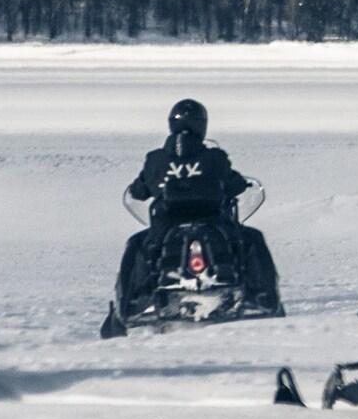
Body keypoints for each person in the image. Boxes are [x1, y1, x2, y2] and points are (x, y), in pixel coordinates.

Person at [112, 99, 280, 322]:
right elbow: (235, 184)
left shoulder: (156, 159)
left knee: (137, 245)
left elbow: (140, 191)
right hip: (214, 223)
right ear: (202, 125)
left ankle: (128, 305)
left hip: (165, 228)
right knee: (252, 239)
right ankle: (265, 298)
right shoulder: (215, 158)